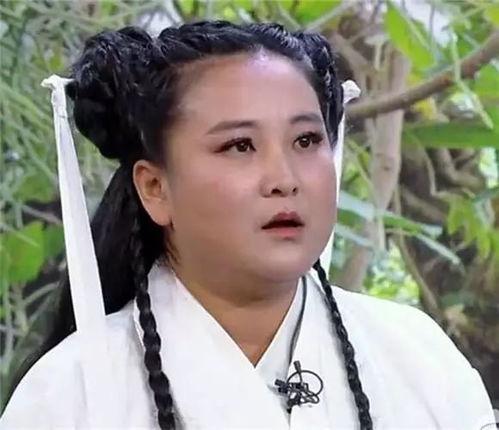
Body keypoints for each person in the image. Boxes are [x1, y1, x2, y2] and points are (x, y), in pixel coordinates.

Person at [0, 20, 495, 430]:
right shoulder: (67, 397)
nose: (284, 179)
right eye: (239, 146)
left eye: (306, 141)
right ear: (155, 188)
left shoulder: (417, 357)